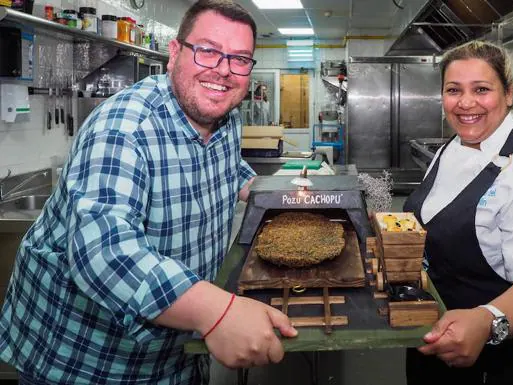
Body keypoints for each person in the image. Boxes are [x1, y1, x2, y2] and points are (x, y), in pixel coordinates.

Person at [0, 1, 297, 383]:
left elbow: (225, 164)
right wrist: (216, 311)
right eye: (207, 51)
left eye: (239, 59)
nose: (223, 70)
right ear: (174, 54)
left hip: (177, 349)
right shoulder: (124, 126)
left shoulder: (224, 115)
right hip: (87, 361)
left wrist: (265, 191)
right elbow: (106, 252)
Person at [403, 40, 513, 385]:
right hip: (438, 339)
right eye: (454, 90)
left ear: (509, 93)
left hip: (510, 358)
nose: (466, 103)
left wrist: (486, 321)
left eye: (481, 89)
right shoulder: (451, 147)